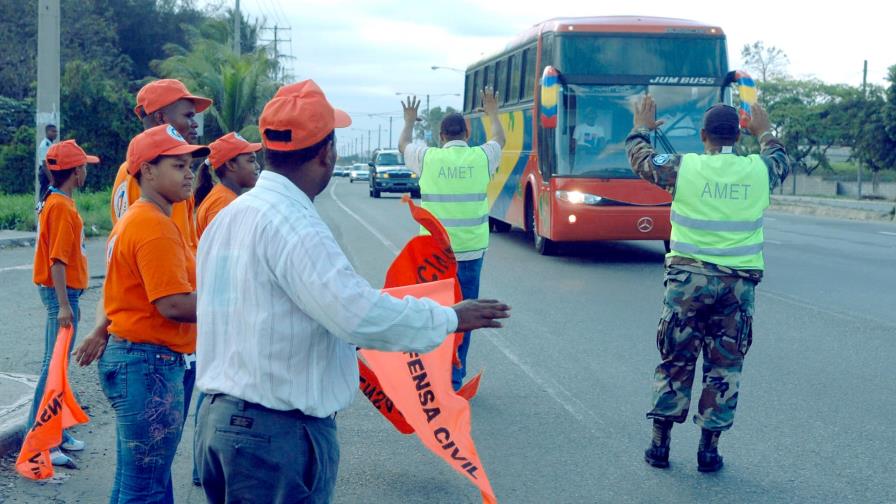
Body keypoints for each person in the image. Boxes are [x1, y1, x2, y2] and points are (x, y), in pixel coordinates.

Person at [193, 80, 511, 503]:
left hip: (221, 425)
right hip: (274, 438)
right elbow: (358, 316)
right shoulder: (295, 226)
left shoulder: (230, 217)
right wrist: (452, 317)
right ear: (328, 153)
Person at [625, 96, 791, 472]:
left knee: (676, 360)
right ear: (739, 135)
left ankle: (659, 446)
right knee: (724, 368)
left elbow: (641, 159)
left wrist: (642, 127)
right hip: (736, 287)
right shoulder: (758, 170)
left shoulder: (685, 168)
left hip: (687, 284)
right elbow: (780, 157)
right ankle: (709, 451)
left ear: (703, 136)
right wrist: (764, 132)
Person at [75, 124, 209, 502]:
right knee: (146, 489)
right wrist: (238, 303)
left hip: (139, 359)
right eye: (177, 165)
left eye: (190, 165)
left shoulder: (142, 217)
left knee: (135, 482)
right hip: (149, 364)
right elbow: (171, 304)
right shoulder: (153, 225)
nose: (189, 174)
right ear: (147, 171)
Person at [106, 78, 212, 428]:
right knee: (149, 468)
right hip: (157, 338)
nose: (194, 123)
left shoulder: (170, 178)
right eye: (186, 115)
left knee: (149, 465)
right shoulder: (147, 181)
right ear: (157, 118)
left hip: (170, 331)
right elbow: (136, 265)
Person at [398, 87, 506, 391]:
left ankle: (430, 377)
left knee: (433, 315)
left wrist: (408, 121)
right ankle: (454, 380)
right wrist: (493, 114)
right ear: (467, 132)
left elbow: (403, 144)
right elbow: (500, 140)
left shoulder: (428, 158)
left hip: (434, 254)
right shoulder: (480, 158)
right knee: (464, 317)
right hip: (470, 254)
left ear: (440, 135)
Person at [30, 139, 99, 467]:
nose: (86, 170)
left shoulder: (58, 201)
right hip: (63, 295)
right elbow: (57, 262)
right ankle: (40, 439)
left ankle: (56, 431)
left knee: (57, 368)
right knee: (51, 368)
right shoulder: (60, 207)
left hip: (66, 294)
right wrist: (63, 306)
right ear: (75, 172)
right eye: (84, 165)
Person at [194, 132, 261, 238]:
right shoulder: (223, 202)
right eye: (251, 160)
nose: (257, 166)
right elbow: (221, 251)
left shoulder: (224, 196)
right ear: (230, 165)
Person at [37, 124, 58, 198]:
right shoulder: (44, 145)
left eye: (56, 132)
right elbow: (44, 165)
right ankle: (40, 209)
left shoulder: (51, 144)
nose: (55, 133)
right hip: (45, 173)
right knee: (44, 195)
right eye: (53, 131)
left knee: (50, 195)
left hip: (50, 172)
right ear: (47, 132)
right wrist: (52, 180)